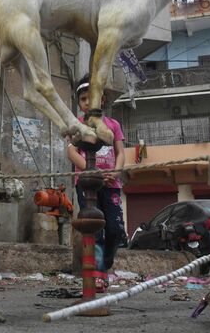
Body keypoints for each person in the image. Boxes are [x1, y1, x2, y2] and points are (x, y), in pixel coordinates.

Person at [67, 74, 126, 292]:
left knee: (115, 229)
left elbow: (120, 152)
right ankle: (98, 274)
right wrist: (91, 172)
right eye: (83, 99)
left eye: (91, 98)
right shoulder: (76, 125)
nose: (87, 103)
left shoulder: (113, 124)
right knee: (95, 230)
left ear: (101, 99)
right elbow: (71, 152)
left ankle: (106, 265)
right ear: (80, 103)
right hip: (87, 183)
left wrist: (116, 172)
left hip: (111, 184)